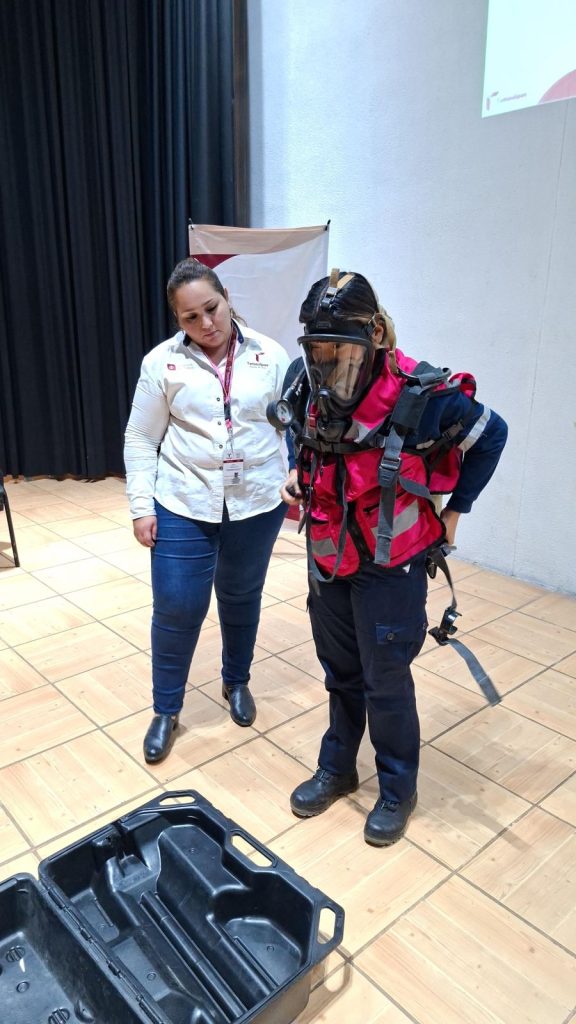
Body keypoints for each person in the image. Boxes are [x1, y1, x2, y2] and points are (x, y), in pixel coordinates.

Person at [279, 269, 507, 846]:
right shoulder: (304, 379)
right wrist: (297, 472)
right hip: (328, 552)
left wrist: (457, 510)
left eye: (341, 351)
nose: (329, 366)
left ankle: (398, 788)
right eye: (318, 350)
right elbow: (298, 433)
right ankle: (338, 767)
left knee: (385, 679)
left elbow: (492, 435)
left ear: (375, 334)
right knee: (340, 672)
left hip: (392, 563)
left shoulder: (424, 398)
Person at [124, 258, 291, 764]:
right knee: (177, 606)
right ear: (177, 320)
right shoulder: (162, 363)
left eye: (212, 308)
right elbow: (141, 437)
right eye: (190, 317)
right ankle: (166, 709)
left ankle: (236, 681)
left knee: (240, 597)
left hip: (256, 501)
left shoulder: (271, 355)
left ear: (227, 298)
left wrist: (298, 474)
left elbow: (293, 425)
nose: (206, 324)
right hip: (183, 500)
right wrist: (141, 506)